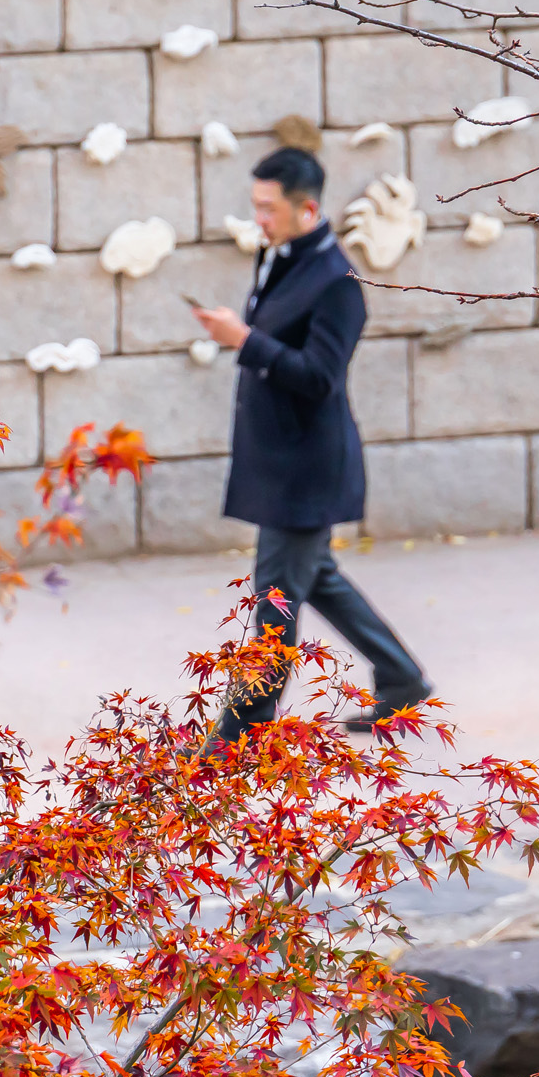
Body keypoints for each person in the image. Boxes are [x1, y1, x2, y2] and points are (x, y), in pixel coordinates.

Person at [189, 147, 431, 738]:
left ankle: (241, 730)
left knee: (273, 600)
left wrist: (244, 339)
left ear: (308, 208)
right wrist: (242, 331)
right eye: (255, 208)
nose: (259, 220)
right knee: (314, 577)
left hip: (307, 472)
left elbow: (321, 376)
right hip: (280, 463)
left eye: (268, 209)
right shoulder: (282, 258)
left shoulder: (337, 282)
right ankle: (401, 679)